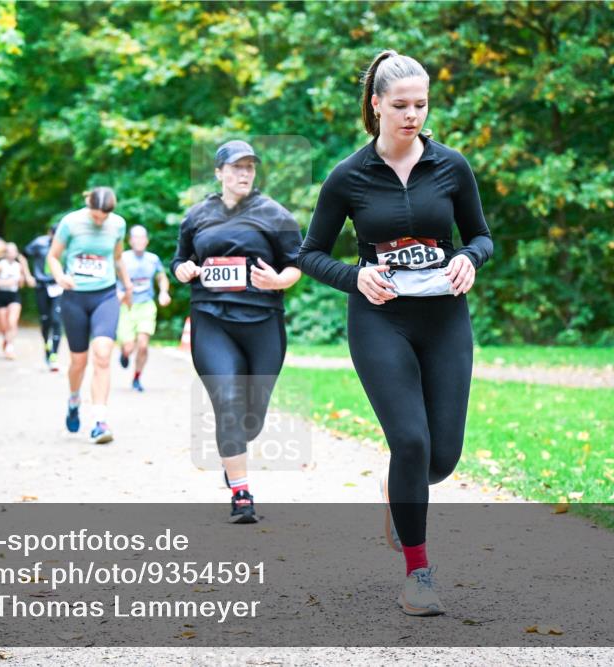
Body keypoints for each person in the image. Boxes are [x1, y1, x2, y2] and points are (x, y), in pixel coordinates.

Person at [297, 50, 493, 616]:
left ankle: (400, 494)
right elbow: (309, 253)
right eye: (401, 105)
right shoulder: (348, 176)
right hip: (380, 321)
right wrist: (355, 276)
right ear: (376, 104)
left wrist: (471, 259)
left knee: (441, 457)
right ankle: (418, 573)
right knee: (409, 442)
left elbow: (481, 236)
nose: (413, 115)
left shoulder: (451, 166)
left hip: (445, 319)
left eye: (421, 104)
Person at [171, 140, 302, 524]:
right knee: (227, 401)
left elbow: (296, 264)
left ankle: (234, 453)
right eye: (236, 167)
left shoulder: (274, 214)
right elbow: (181, 259)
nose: (244, 173)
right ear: (219, 173)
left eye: (250, 167)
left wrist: (278, 280)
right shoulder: (198, 215)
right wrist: (182, 270)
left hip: (262, 322)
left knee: (251, 418)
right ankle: (241, 493)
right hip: (211, 320)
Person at [47, 187, 132, 444]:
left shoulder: (117, 224)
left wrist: (127, 287)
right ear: (88, 205)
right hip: (75, 297)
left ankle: (99, 421)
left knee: (103, 355)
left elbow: (117, 259)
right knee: (78, 362)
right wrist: (60, 276)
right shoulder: (70, 222)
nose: (100, 221)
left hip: (105, 296)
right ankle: (74, 399)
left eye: (104, 217)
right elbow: (53, 256)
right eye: (96, 216)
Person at [117, 225, 171, 391]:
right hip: (127, 306)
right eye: (136, 237)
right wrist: (117, 293)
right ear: (130, 240)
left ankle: (137, 378)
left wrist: (163, 292)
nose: (139, 240)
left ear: (146, 241)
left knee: (142, 344)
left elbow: (162, 277)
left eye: (142, 237)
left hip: (147, 305)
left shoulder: (153, 259)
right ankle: (124, 354)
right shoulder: (122, 258)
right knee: (128, 347)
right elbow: (111, 278)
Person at [25, 224, 65, 371]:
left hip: (58, 286)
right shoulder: (39, 243)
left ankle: (54, 355)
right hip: (41, 286)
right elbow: (22, 255)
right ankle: (46, 348)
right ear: (50, 234)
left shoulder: (66, 245)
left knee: (56, 319)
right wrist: (28, 275)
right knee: (45, 320)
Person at [0, 242, 35, 360]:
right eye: (9, 251)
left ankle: (10, 347)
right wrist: (5, 283)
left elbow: (22, 284)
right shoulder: (0, 265)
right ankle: (6, 340)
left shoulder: (18, 266)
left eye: (14, 251)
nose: (12, 254)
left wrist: (22, 278)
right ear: (5, 253)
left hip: (14, 296)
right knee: (4, 325)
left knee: (12, 321)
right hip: (1, 295)